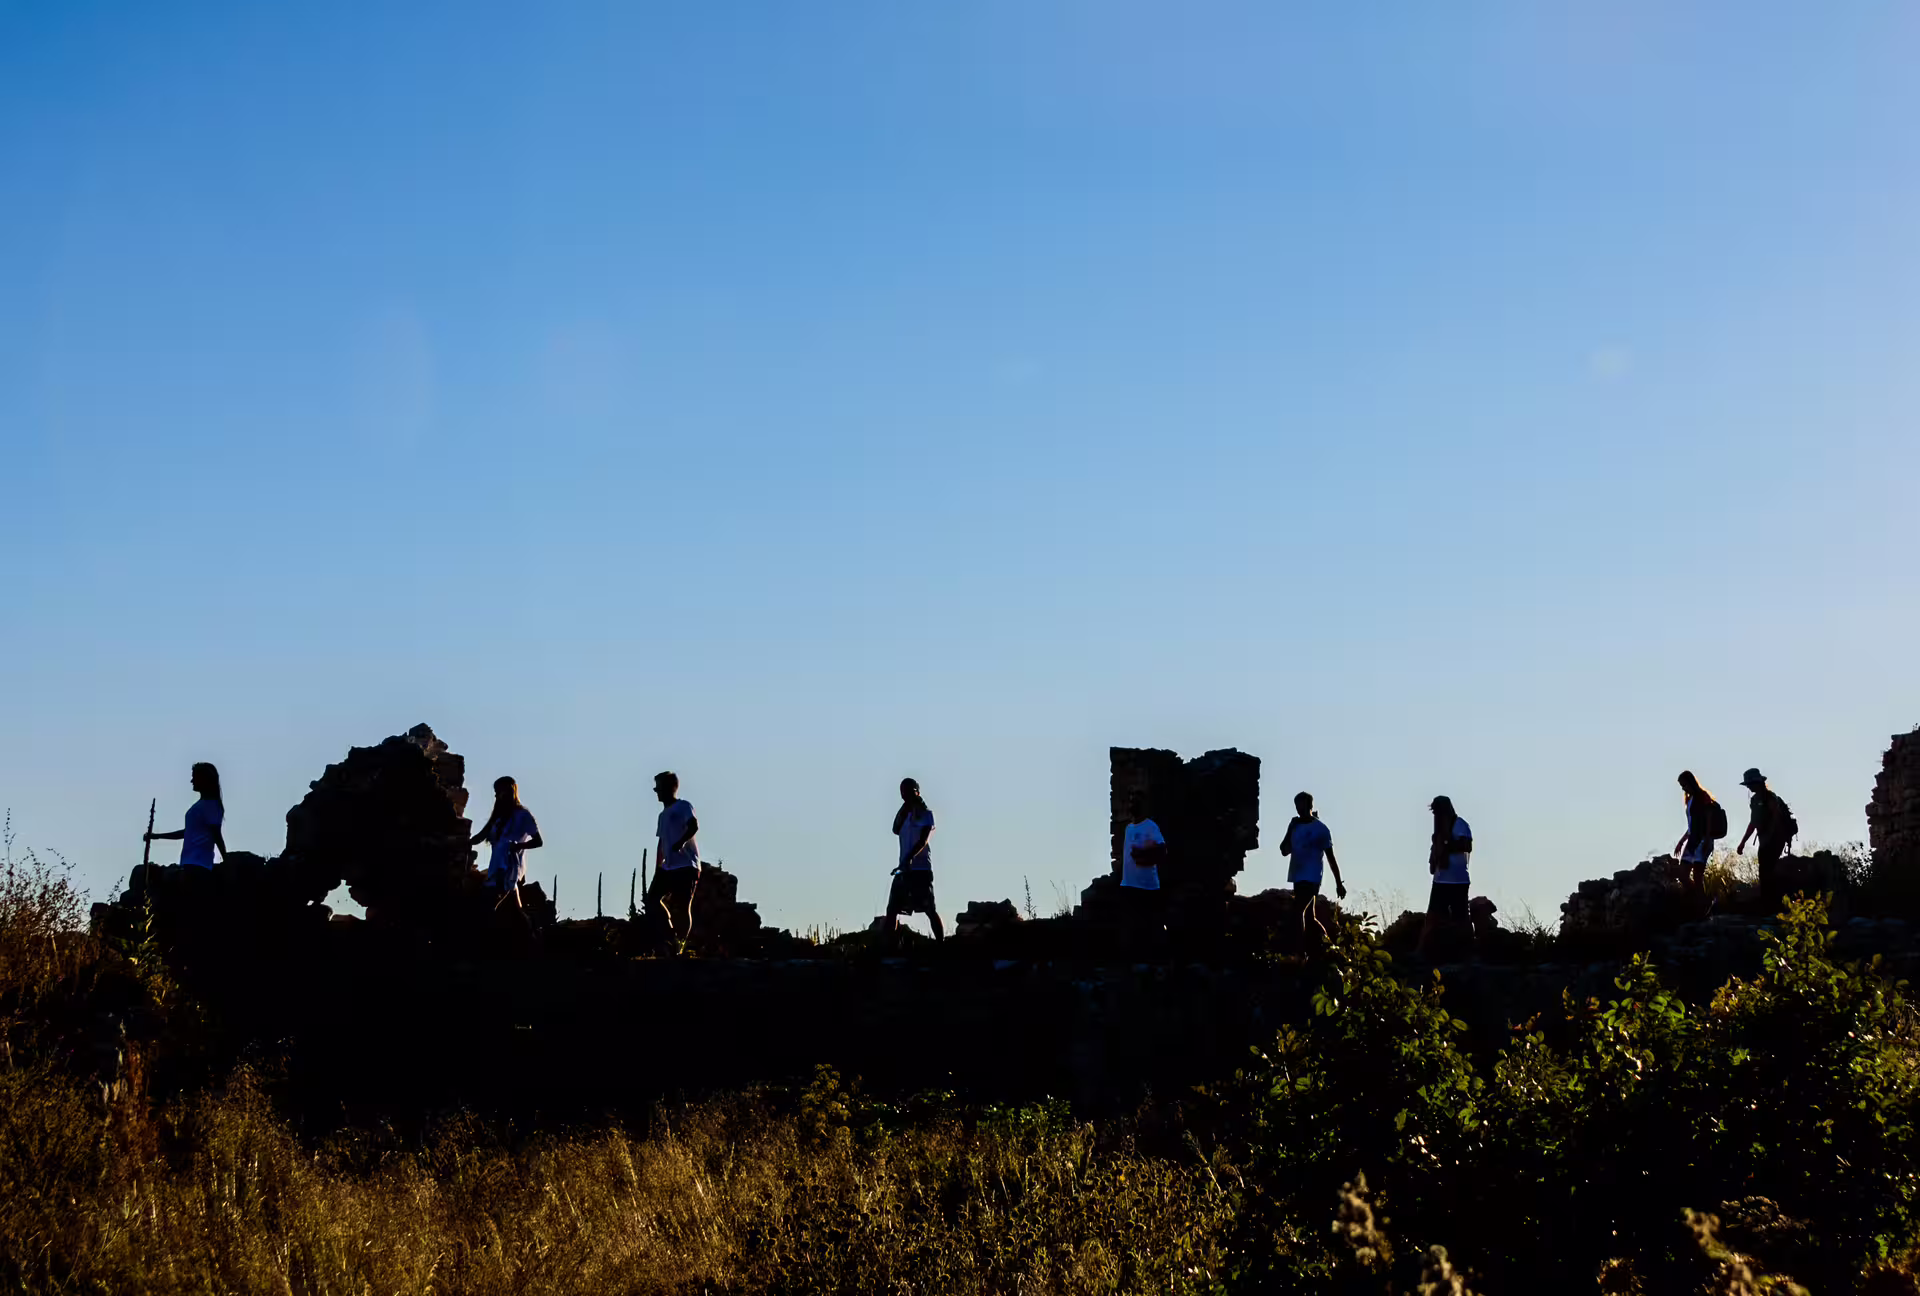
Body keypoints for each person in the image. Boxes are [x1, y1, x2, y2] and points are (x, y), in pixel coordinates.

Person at [883, 778, 943, 946]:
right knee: (892, 909)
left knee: (929, 909)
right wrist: (904, 807)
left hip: (921, 869)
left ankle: (941, 945)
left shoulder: (926, 814)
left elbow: (923, 840)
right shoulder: (904, 816)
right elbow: (895, 829)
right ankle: (890, 947)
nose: (905, 796)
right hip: (904, 869)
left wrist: (910, 857)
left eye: (909, 792)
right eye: (903, 793)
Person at [470, 776, 542, 910]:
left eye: (499, 791)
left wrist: (518, 846)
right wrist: (464, 843)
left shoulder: (523, 815)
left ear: (510, 791)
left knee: (490, 904)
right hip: (496, 868)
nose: (497, 795)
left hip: (510, 868)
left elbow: (538, 841)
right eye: (496, 792)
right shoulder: (498, 816)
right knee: (512, 908)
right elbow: (481, 836)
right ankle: (529, 929)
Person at [648, 771, 700, 949]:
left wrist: (680, 843)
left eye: (659, 788)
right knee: (652, 900)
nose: (656, 792)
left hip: (686, 866)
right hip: (668, 868)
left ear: (670, 788)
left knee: (682, 905)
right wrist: (657, 866)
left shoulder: (683, 806)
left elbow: (693, 826)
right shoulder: (662, 816)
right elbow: (661, 842)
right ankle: (670, 937)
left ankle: (681, 944)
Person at [143, 762, 228, 869]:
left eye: (194, 777)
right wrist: (157, 836)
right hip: (190, 863)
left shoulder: (211, 805)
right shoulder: (202, 805)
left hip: (199, 865)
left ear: (204, 779)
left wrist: (226, 859)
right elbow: (188, 832)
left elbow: (217, 835)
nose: (191, 781)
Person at [1735, 767, 1798, 909]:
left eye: (1750, 784)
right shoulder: (1755, 800)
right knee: (1764, 871)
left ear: (1758, 783)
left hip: (1775, 839)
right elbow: (1753, 822)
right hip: (1765, 840)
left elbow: (1776, 817)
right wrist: (1742, 842)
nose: (1749, 787)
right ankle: (1769, 903)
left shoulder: (1770, 797)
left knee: (1768, 870)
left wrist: (1770, 836)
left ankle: (1773, 904)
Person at [1119, 791, 1167, 948]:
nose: (1132, 805)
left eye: (1135, 802)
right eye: (1131, 801)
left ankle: (1154, 961)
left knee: (1151, 925)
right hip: (1129, 884)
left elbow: (1162, 849)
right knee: (1131, 926)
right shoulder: (1128, 828)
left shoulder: (1150, 826)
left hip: (1148, 886)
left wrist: (1143, 854)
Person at [1280, 791, 1347, 902]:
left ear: (1310, 806)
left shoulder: (1321, 829)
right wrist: (1290, 828)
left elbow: (1331, 858)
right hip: (1297, 876)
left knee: (1300, 910)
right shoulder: (1295, 827)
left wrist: (1339, 884)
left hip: (1312, 877)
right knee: (1308, 915)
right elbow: (1284, 851)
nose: (1300, 810)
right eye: (1297, 806)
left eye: (1302, 806)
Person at [1674, 770, 1723, 893]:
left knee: (1697, 876)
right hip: (1692, 840)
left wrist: (1707, 838)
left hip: (1702, 840)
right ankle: (1697, 899)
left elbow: (1708, 818)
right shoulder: (1690, 800)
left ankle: (1702, 903)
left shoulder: (1702, 796)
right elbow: (1692, 825)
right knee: (1683, 875)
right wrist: (1682, 841)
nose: (1683, 789)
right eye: (1681, 786)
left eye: (1684, 785)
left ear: (1691, 783)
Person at [1426, 795, 1472, 923]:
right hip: (1440, 880)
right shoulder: (1438, 831)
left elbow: (1467, 846)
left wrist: (1446, 843)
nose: (1436, 815)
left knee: (1460, 919)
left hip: (1458, 882)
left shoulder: (1460, 825)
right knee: (1435, 920)